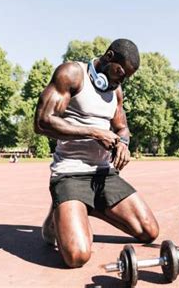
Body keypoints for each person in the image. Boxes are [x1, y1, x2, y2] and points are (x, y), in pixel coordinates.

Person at [34, 39, 159, 268]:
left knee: (149, 231)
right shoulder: (72, 74)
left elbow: (122, 128)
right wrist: (94, 133)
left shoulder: (116, 91)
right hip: (70, 173)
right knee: (77, 256)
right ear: (108, 57)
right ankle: (61, 213)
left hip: (103, 175)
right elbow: (42, 122)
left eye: (126, 77)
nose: (120, 80)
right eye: (119, 72)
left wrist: (123, 143)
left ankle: (83, 207)